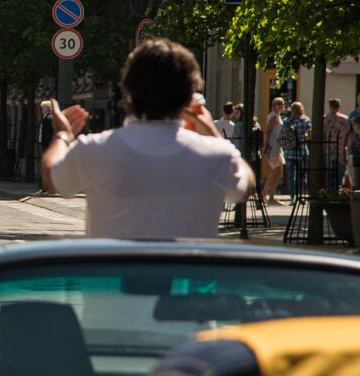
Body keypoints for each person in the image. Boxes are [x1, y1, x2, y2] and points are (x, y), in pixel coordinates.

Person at [41, 38, 254, 240]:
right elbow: (246, 187)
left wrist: (62, 135)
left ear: (126, 92)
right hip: (188, 278)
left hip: (114, 277)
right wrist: (212, 133)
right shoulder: (217, 156)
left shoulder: (95, 149)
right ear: (190, 95)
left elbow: (52, 179)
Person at [283, 101, 312, 203]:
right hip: (302, 150)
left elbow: (284, 133)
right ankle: (302, 195)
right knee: (302, 175)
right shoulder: (306, 120)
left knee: (291, 176)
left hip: (290, 151)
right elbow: (309, 135)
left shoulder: (287, 121)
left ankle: (293, 197)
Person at [261, 98, 286, 205]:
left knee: (276, 172)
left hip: (277, 147)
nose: (281, 105)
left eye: (282, 103)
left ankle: (268, 195)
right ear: (274, 105)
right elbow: (267, 131)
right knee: (275, 171)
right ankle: (267, 195)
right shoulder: (273, 116)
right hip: (273, 147)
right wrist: (265, 146)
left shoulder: (278, 116)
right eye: (278, 104)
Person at [324, 98, 349, 190]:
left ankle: (332, 192)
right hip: (338, 149)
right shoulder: (345, 119)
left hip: (333, 149)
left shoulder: (325, 119)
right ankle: (338, 191)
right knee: (338, 174)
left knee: (333, 174)